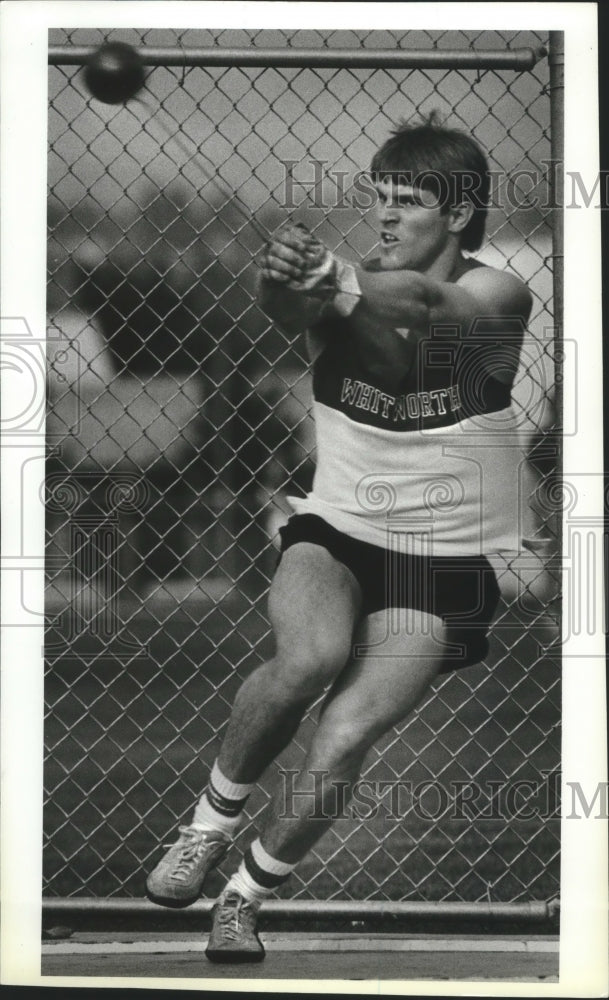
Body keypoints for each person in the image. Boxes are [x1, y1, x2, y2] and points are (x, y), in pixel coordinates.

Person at [145, 115, 534, 962]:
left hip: (444, 560)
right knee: (305, 661)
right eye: (381, 199)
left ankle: (243, 897)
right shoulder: (346, 288)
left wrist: (332, 272)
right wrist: (292, 277)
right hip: (339, 529)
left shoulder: (498, 293)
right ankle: (208, 826)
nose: (387, 216)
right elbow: (291, 305)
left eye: (410, 202)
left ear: (460, 214)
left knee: (349, 730)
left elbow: (432, 309)